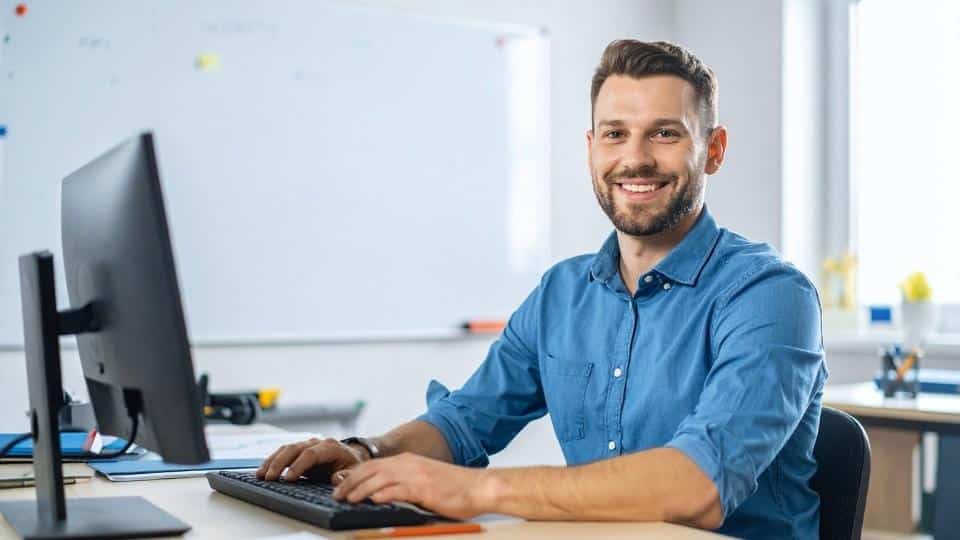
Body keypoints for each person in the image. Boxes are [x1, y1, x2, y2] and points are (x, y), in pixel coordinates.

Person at [257, 40, 826, 538]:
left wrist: (475, 491)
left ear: (715, 150)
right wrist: (367, 453)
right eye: (615, 134)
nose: (635, 157)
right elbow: (464, 422)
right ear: (591, 147)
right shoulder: (563, 292)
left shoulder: (769, 296)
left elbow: (697, 485)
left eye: (665, 133)